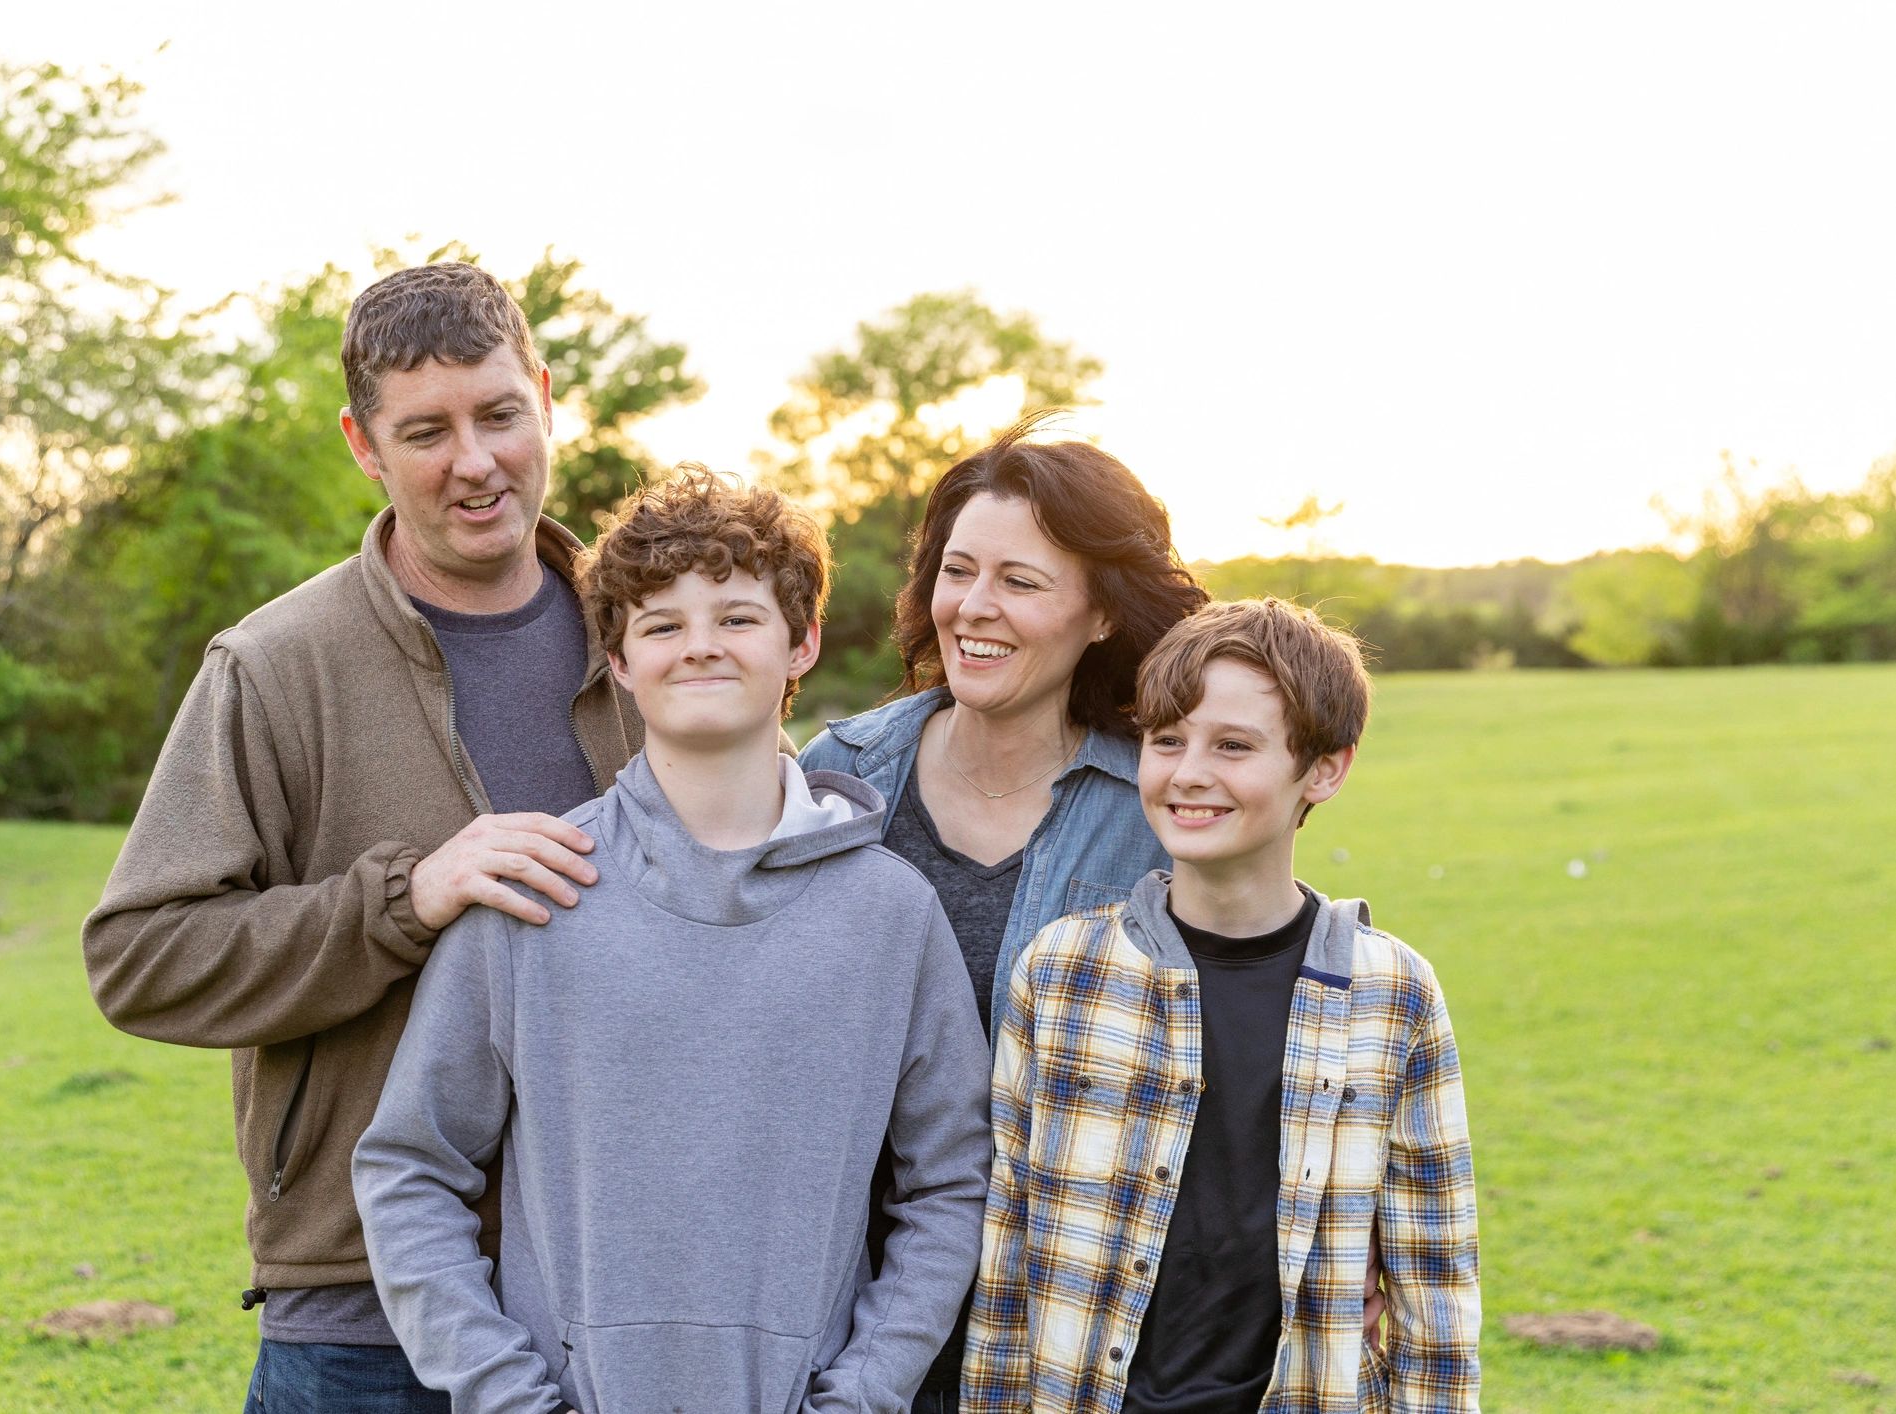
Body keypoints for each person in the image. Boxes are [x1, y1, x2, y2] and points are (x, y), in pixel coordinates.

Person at [82, 262, 642, 1411]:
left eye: (499, 414)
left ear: (545, 397)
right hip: (361, 1325)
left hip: (620, 1300)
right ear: (363, 445)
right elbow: (139, 957)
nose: (475, 461)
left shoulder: (655, 639)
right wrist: (403, 900)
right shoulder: (274, 666)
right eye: (426, 431)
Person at [353, 469, 992, 1412]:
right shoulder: (534, 891)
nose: (699, 646)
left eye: (736, 617)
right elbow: (409, 1169)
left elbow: (950, 1184)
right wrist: (506, 1396)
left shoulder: (890, 914)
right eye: (661, 625)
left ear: (802, 642)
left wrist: (862, 1393)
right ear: (617, 660)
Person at [964, 598, 1482, 1413]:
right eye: (1166, 740)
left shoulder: (1392, 994)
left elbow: (1436, 1293)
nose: (1188, 772)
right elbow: (1007, 1254)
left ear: (1324, 769)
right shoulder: (1060, 972)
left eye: (1233, 746)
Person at [798, 414, 1210, 1407]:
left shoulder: (1156, 809)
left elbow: (1226, 1043)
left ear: (1101, 614)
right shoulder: (835, 775)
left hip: (1058, 1324)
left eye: (1021, 582)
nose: (973, 607)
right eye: (957, 570)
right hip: (840, 1320)